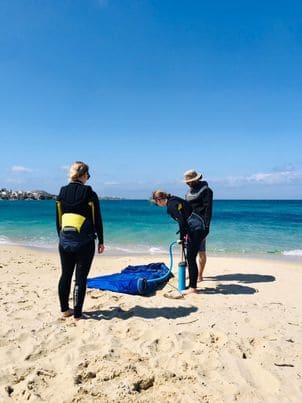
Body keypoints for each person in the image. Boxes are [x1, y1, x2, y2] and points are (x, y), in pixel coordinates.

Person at [56, 161, 104, 320]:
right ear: (83, 175)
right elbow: (97, 219)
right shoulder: (89, 193)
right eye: (88, 175)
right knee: (80, 278)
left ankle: (64, 310)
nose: (88, 178)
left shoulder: (62, 192)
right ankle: (77, 313)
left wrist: (62, 238)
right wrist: (101, 240)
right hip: (85, 242)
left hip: (65, 240)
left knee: (65, 275)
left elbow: (59, 219)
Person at [150, 190, 205, 295]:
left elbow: (181, 220)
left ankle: (193, 288)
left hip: (196, 229)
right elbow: (185, 215)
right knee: (190, 257)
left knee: (190, 258)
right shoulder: (174, 199)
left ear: (159, 200)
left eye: (156, 203)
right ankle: (192, 285)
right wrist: (184, 233)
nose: (157, 205)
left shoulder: (171, 206)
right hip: (197, 227)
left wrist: (181, 237)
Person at [183, 169, 213, 282]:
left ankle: (200, 275)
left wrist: (206, 228)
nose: (187, 183)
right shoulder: (189, 192)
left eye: (190, 180)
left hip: (201, 226)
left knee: (201, 251)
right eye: (187, 181)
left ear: (196, 179)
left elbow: (208, 210)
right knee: (189, 252)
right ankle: (192, 273)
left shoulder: (207, 191)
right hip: (189, 225)